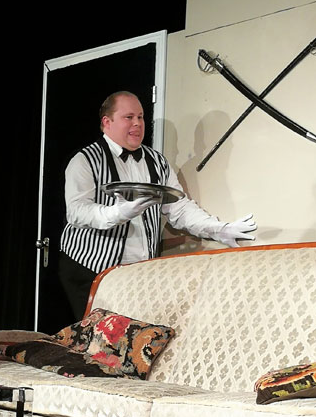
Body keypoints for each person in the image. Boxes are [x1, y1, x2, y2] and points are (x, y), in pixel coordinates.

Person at [59, 91, 257, 318]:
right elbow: (77, 211)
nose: (137, 123)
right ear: (107, 122)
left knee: (137, 336)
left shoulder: (157, 162)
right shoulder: (85, 160)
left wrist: (217, 229)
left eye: (140, 117)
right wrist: (117, 213)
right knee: (98, 337)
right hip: (91, 270)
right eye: (129, 117)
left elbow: (179, 208)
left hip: (141, 273)